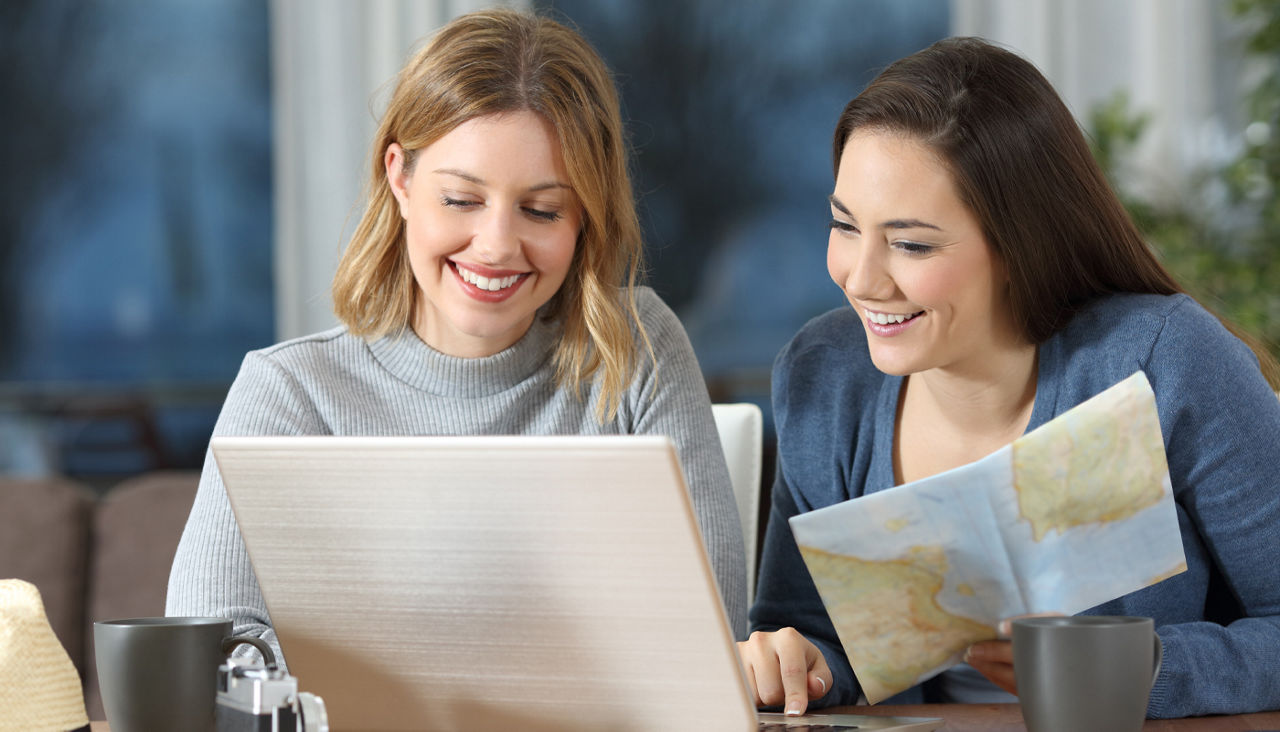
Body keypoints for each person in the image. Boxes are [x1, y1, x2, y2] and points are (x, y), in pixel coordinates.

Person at [166, 8, 748, 667]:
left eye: (542, 209)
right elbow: (203, 653)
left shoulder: (636, 347)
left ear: (586, 214)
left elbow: (711, 636)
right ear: (401, 178)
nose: (497, 246)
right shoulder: (291, 392)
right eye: (462, 200)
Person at [739, 36, 1280, 719]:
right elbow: (815, 635)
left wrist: (1139, 669)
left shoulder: (1165, 361)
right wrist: (801, 664)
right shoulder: (823, 377)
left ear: (1018, 244)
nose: (861, 277)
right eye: (844, 226)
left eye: (910, 244)